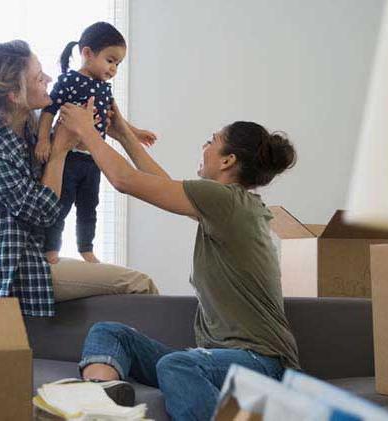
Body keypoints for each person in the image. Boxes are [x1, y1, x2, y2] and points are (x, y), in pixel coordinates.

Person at [58, 98, 300, 420]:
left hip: (262, 364)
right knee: (110, 332)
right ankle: (99, 403)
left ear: (227, 160)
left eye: (211, 141)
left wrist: (86, 131)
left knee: (176, 364)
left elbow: (126, 181)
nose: (204, 146)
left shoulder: (226, 202)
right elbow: (163, 186)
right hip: (222, 360)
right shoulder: (227, 206)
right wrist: (123, 135)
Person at [0, 40, 158, 317]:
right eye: (38, 77)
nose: (48, 79)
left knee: (134, 283)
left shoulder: (32, 123)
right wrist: (59, 151)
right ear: (13, 94)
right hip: (10, 270)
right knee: (140, 284)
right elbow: (46, 212)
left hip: (33, 252)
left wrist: (113, 132)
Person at [35, 22, 157, 264]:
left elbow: (116, 122)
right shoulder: (69, 80)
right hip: (68, 156)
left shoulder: (104, 88)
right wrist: (42, 140)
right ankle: (51, 249)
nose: (113, 68)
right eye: (110, 60)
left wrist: (136, 133)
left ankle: (86, 248)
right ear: (87, 53)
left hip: (93, 159)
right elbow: (49, 110)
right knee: (60, 205)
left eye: (118, 64)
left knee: (89, 207)